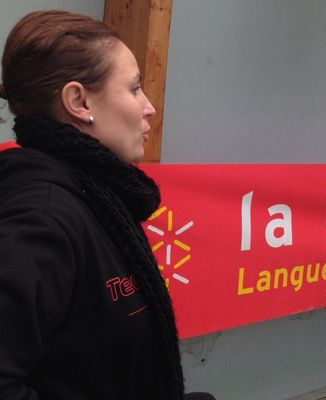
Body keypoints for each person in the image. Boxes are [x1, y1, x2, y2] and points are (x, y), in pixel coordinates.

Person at [0, 10, 214, 400]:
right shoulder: (41, 221)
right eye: (134, 88)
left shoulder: (96, 195)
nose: (148, 107)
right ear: (78, 101)